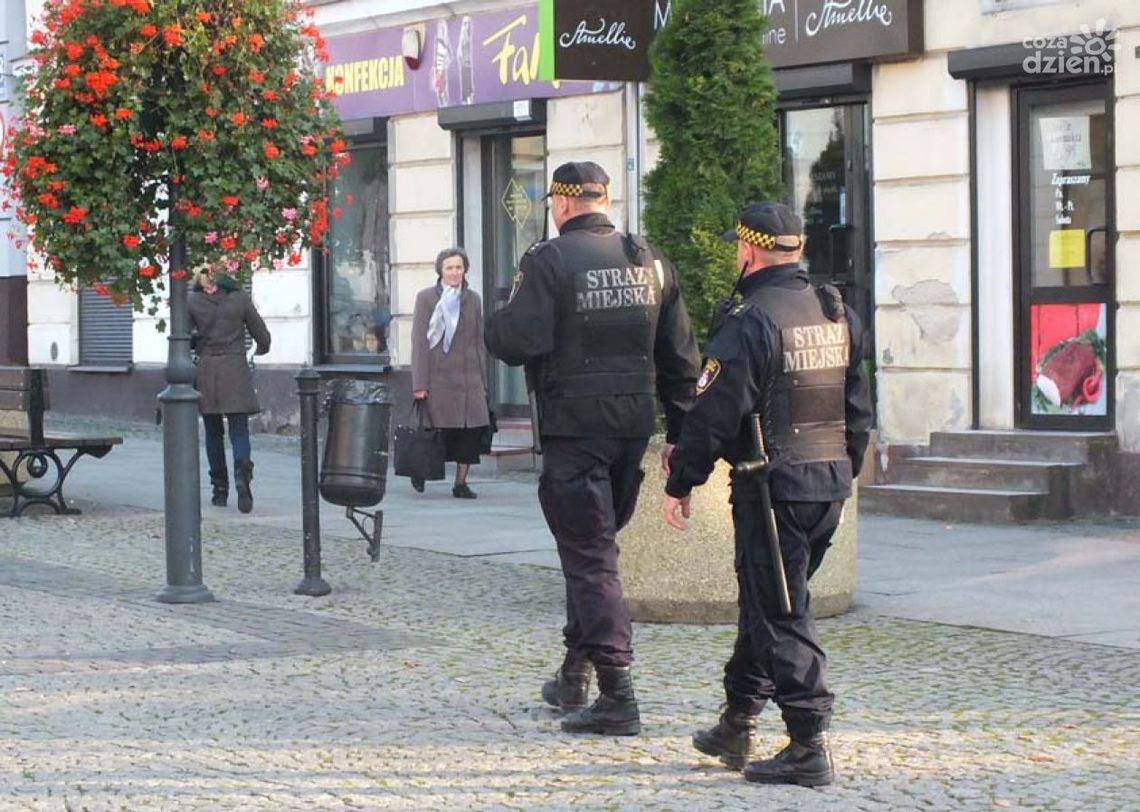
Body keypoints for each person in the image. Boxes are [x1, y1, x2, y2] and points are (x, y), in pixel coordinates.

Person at [485, 161, 701, 736]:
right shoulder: (649, 259)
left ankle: (617, 694)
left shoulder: (548, 260)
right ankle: (574, 673)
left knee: (590, 558)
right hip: (631, 425)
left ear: (560, 204)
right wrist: (682, 436)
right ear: (604, 199)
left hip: (574, 427)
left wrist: (498, 313)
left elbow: (515, 340)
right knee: (594, 552)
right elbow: (682, 360)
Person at [661, 201, 872, 786]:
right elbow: (858, 407)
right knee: (767, 600)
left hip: (770, 485)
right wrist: (843, 471)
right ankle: (738, 720)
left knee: (781, 610)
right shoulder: (837, 311)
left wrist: (682, 480)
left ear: (749, 251)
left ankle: (809, 744)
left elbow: (713, 415)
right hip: (825, 483)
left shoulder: (750, 319)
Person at [188, 263, 272, 514]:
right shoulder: (240, 299)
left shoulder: (192, 302)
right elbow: (263, 338)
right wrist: (260, 350)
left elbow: (182, 337)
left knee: (213, 432)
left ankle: (219, 490)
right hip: (235, 369)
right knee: (239, 429)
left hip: (206, 371)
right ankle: (242, 473)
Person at [410, 247, 490, 499]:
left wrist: (483, 381)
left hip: (469, 380)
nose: (455, 272)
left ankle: (461, 482)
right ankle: (420, 470)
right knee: (436, 432)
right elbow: (420, 343)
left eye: (459, 267)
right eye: (449, 268)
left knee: (469, 434)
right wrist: (419, 383)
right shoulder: (426, 298)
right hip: (438, 379)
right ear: (441, 271)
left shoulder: (473, 299)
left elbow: (479, 341)